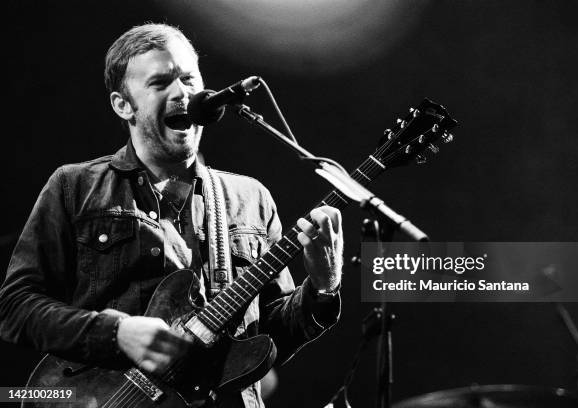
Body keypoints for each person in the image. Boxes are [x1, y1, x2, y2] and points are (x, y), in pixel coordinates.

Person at [0, 23, 343, 407]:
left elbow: (272, 333)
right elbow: (16, 308)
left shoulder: (252, 197)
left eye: (189, 78)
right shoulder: (74, 186)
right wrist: (116, 332)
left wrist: (323, 287)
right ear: (122, 104)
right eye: (161, 83)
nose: (182, 92)